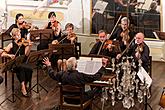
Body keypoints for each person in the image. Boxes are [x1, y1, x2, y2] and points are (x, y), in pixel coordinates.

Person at [43, 56, 108, 104]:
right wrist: (103, 66)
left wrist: (49, 65)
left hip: (67, 99)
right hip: (80, 100)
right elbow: (95, 77)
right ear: (76, 65)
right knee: (98, 88)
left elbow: (52, 74)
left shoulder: (62, 74)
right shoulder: (80, 76)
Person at [1, 28, 33, 97]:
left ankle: (25, 83)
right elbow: (3, 54)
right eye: (17, 35)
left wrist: (29, 47)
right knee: (21, 68)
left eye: (19, 34)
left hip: (23, 62)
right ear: (14, 36)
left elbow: (26, 54)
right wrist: (9, 55)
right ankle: (23, 87)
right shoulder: (11, 44)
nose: (19, 36)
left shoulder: (24, 43)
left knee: (29, 68)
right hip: (15, 65)